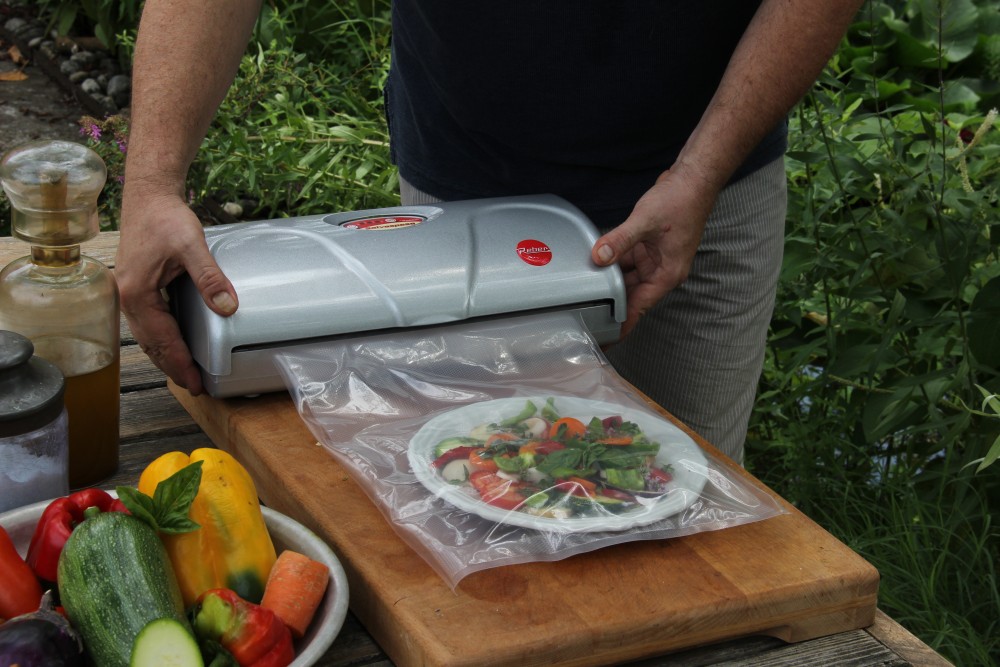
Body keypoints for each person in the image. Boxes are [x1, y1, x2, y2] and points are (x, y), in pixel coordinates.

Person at [116, 1, 864, 463]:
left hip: (706, 173)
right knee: (461, 479)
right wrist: (150, 181)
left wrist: (700, 174)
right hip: (460, 189)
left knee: (683, 503)